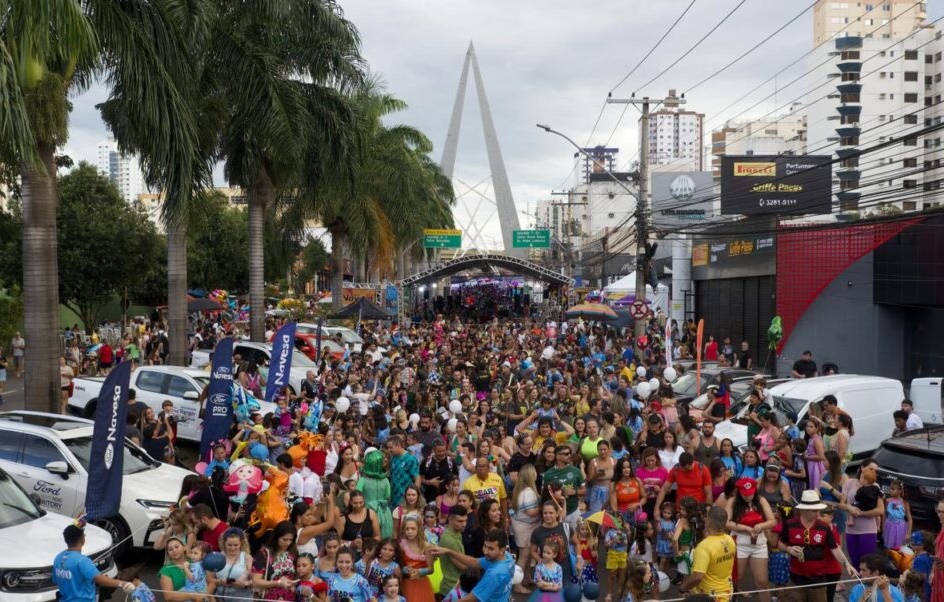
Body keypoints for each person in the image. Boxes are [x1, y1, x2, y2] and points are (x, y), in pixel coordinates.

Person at [777, 490, 857, 602]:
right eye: (815, 510)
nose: (818, 514)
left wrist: (846, 563)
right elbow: (780, 543)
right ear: (804, 510)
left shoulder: (824, 527)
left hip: (818, 581)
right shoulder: (790, 524)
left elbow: (835, 548)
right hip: (796, 580)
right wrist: (788, 549)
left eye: (819, 510)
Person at [724, 478, 777, 602]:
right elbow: (726, 523)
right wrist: (746, 528)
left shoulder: (761, 500)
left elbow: (772, 521)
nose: (748, 497)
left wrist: (761, 526)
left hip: (759, 543)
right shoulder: (732, 501)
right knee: (735, 579)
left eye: (751, 494)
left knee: (762, 581)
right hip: (739, 542)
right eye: (745, 494)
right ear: (739, 492)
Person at [52, 524, 136, 601]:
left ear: (66, 540)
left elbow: (57, 580)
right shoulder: (82, 560)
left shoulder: (57, 558)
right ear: (82, 539)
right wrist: (123, 584)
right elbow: (99, 579)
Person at [429, 529, 515, 602]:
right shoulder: (507, 557)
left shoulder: (493, 575)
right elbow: (473, 561)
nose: (485, 551)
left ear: (502, 550)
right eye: (485, 546)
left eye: (490, 548)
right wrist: (449, 552)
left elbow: (472, 598)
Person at [679, 506, 735, 601]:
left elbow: (697, 577)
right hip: (726, 592)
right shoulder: (730, 540)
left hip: (708, 597)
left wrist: (683, 588)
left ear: (708, 522)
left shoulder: (704, 546)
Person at [839, 459, 884, 570]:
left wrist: (860, 513)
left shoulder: (875, 486)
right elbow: (841, 504)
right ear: (862, 467)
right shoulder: (850, 483)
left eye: (875, 470)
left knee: (867, 566)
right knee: (855, 564)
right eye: (871, 468)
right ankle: (858, 582)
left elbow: (880, 510)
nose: (873, 472)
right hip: (851, 531)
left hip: (868, 531)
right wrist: (849, 507)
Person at [438, 506, 469, 598]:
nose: (464, 524)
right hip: (451, 588)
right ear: (450, 519)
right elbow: (463, 566)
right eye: (460, 521)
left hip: (457, 586)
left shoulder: (456, 532)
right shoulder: (449, 540)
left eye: (465, 520)